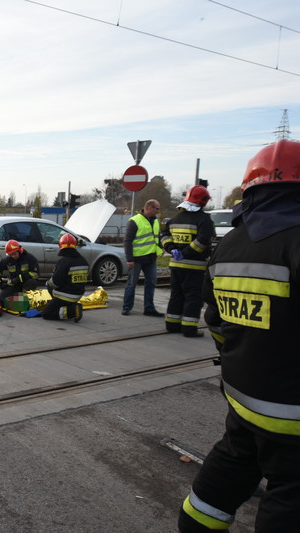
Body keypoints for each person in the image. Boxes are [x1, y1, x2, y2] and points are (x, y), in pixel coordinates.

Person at [178, 139, 300, 531]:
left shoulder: (232, 242)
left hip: (243, 399)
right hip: (293, 414)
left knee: (230, 468)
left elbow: (215, 321)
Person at [160, 185, 214, 337]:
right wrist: (186, 253)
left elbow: (164, 237)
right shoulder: (204, 219)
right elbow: (202, 241)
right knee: (193, 297)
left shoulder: (175, 218)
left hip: (176, 265)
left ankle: (172, 324)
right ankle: (189, 329)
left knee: (176, 295)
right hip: (195, 267)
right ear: (202, 201)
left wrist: (172, 249)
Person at [122, 199, 164, 317]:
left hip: (151, 258)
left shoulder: (155, 221)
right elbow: (127, 241)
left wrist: (160, 247)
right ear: (149, 207)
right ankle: (127, 307)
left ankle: (149, 308)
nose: (158, 211)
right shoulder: (134, 221)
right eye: (157, 209)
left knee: (151, 283)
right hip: (137, 258)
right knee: (132, 283)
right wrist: (129, 259)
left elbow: (157, 237)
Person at [42, 233, 88, 322]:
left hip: (65, 296)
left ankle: (73, 310)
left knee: (47, 313)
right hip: (78, 294)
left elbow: (56, 282)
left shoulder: (64, 262)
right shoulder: (83, 260)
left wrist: (48, 283)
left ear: (61, 246)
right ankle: (71, 306)